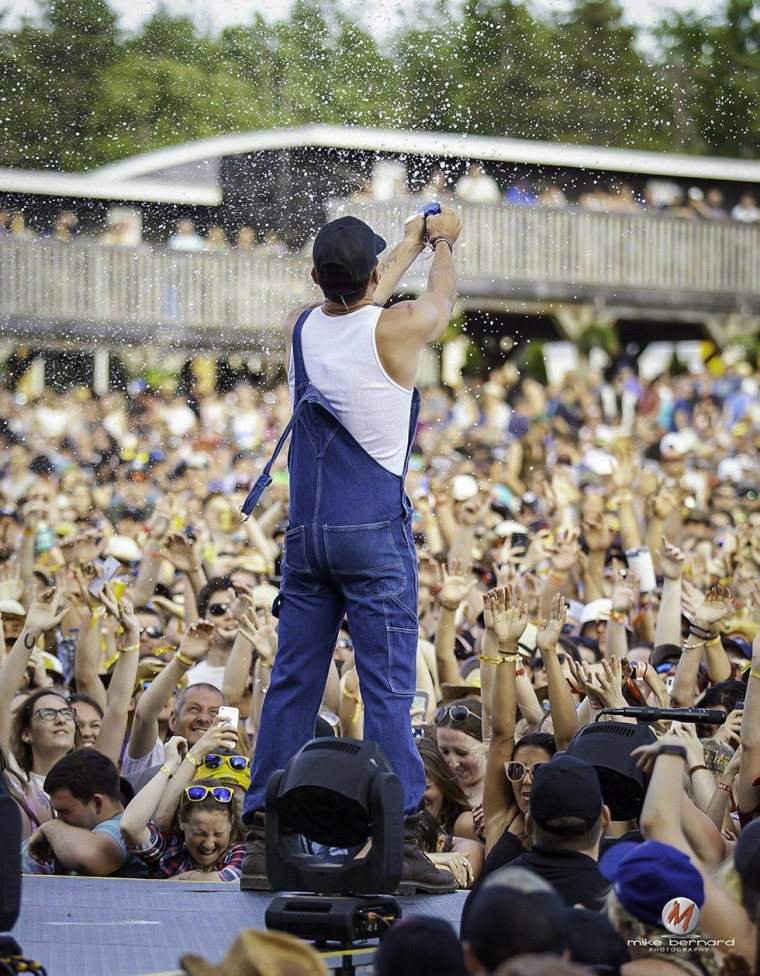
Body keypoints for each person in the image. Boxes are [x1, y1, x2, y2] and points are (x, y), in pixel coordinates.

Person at [241, 205, 462, 893]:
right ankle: (398, 842)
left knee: (294, 683)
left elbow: (360, 291)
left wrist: (409, 242)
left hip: (306, 535)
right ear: (373, 277)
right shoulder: (396, 326)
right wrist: (443, 242)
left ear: (316, 276)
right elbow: (442, 299)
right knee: (389, 688)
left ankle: (258, 836)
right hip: (372, 535)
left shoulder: (301, 326)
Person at [22, 749, 148, 877]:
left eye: (65, 812)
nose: (59, 820)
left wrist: (50, 827)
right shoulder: (79, 837)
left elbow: (90, 856)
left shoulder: (124, 828)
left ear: (97, 803)